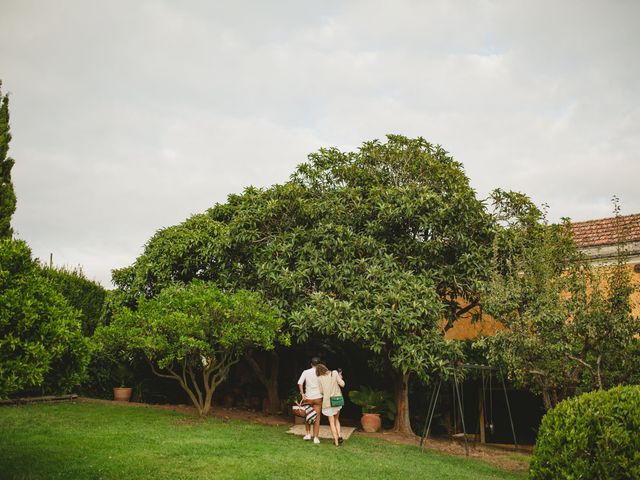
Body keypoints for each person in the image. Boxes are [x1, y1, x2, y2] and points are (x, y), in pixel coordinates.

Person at [316, 363, 345, 447]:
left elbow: (321, 391)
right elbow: (342, 384)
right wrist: (340, 378)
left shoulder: (319, 378)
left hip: (327, 402)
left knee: (331, 422)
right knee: (337, 419)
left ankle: (336, 442)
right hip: (337, 401)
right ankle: (339, 436)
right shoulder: (335, 373)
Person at [297, 357, 323, 444]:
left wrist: (302, 394)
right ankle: (316, 438)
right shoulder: (321, 373)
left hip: (308, 397)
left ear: (311, 364)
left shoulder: (306, 372)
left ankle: (308, 434)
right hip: (318, 398)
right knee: (317, 418)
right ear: (319, 364)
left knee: (307, 415)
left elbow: (300, 383)